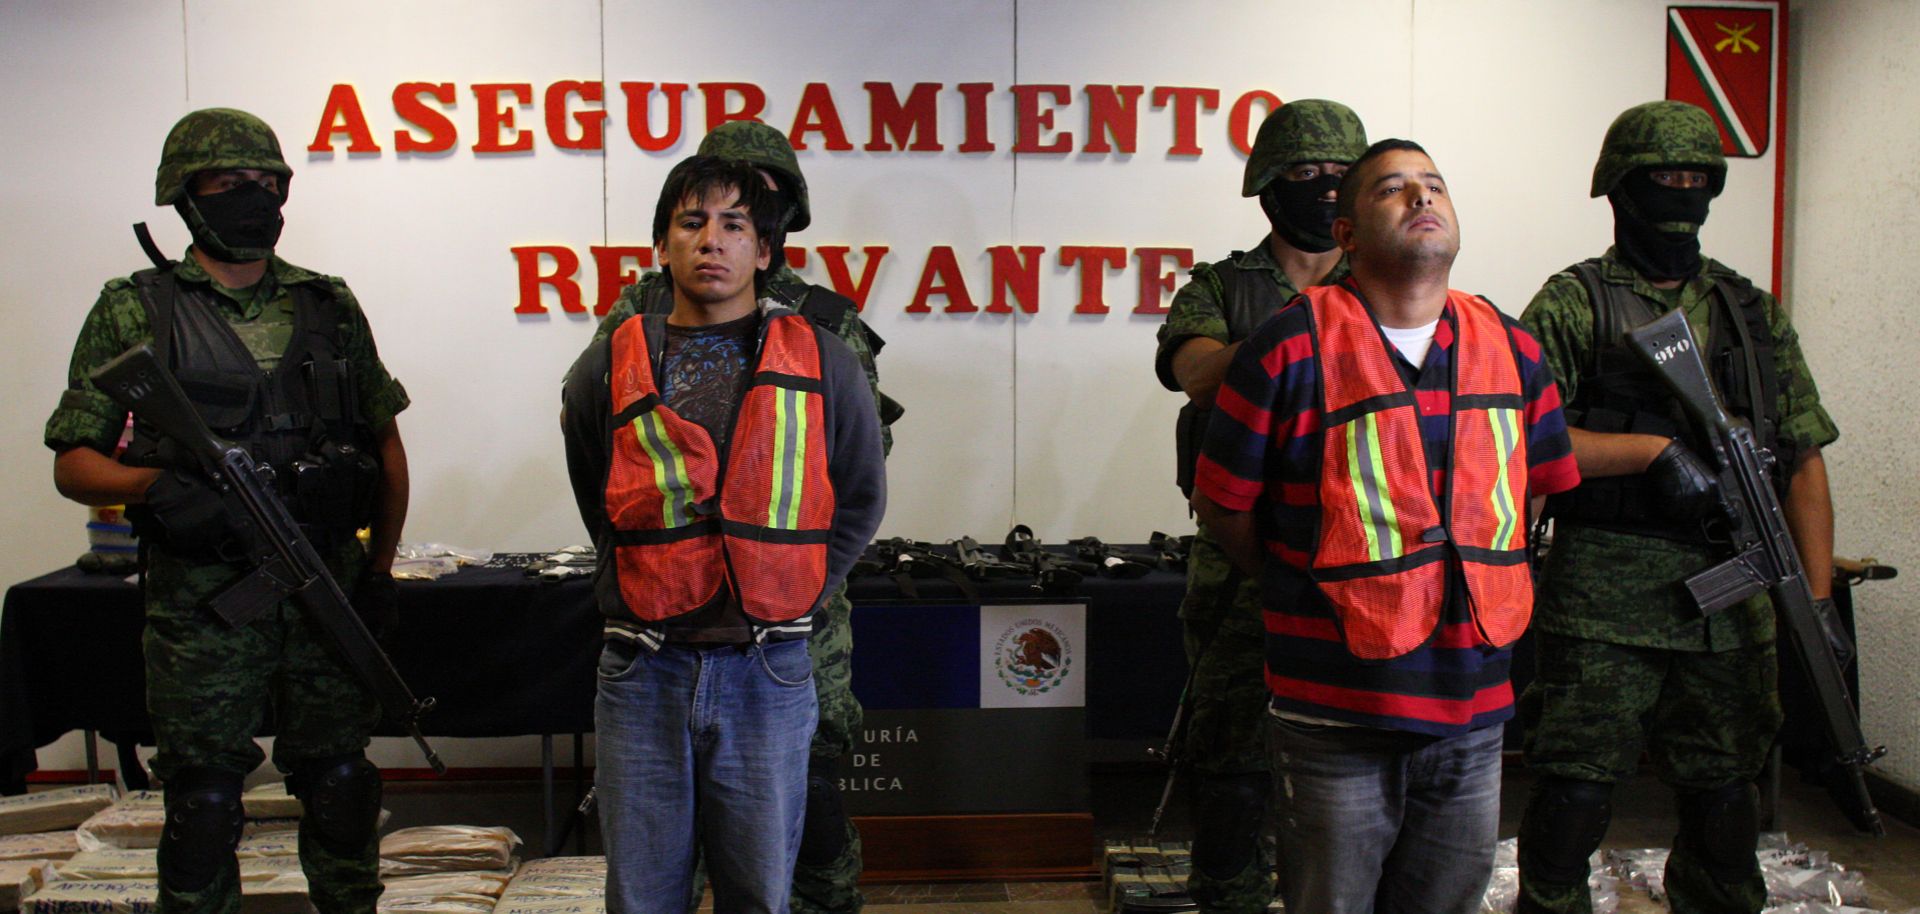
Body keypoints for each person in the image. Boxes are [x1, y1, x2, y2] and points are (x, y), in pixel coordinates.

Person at [1191, 139, 1579, 914]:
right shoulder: (1286, 347)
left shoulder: (1514, 348)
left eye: (1434, 185)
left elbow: (1532, 490)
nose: (1422, 199)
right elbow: (1223, 504)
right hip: (1335, 712)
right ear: (1347, 237)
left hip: (1473, 709)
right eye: (1393, 191)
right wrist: (1293, 585)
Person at [46, 108, 410, 914]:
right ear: (185, 196)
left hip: (325, 583)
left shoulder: (329, 303)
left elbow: (384, 447)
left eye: (267, 182)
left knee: (342, 782)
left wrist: (378, 572)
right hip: (205, 605)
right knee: (205, 801)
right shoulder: (136, 307)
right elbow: (75, 460)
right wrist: (151, 487)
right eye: (229, 183)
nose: (255, 197)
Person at [1515, 100, 1838, 914]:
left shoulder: (1751, 313)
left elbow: (1802, 461)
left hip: (1734, 596)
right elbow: (1516, 439)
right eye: (1663, 179)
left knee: (1727, 800)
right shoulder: (1573, 303)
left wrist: (1820, 598)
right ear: (1619, 189)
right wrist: (1648, 452)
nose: (1681, 196)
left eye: (1698, 180)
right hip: (1602, 597)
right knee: (1573, 796)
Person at [561, 155, 886, 914]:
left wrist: (793, 585)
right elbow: (594, 487)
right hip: (643, 671)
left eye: (735, 225)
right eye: (692, 223)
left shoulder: (825, 361)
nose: (713, 241)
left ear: (765, 252)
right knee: (642, 897)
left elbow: (860, 497)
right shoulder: (607, 366)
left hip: (767, 672)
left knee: (760, 896)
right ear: (663, 246)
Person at [1150, 98, 1367, 914]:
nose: (1322, 188)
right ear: (1269, 186)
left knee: (1355, 757)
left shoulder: (1389, 284)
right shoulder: (1224, 286)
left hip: (1359, 551)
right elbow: (1197, 372)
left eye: (1341, 176)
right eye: (1304, 174)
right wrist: (1313, 330)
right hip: (1241, 552)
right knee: (1232, 756)